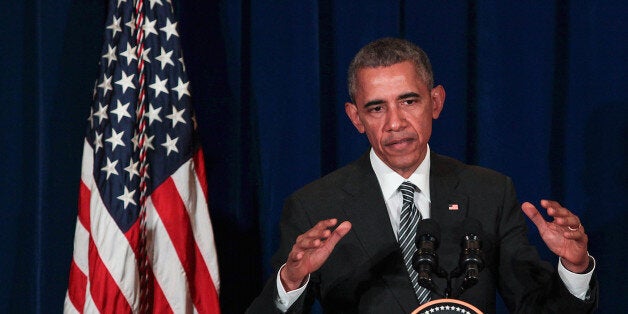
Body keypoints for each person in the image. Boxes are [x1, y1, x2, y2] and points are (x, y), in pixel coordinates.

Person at [247, 37, 597, 313]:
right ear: (356, 118)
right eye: (376, 107)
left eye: (409, 101)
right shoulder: (314, 206)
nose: (395, 123)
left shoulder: (489, 192)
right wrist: (292, 282)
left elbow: (536, 307)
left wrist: (574, 267)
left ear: (436, 102)